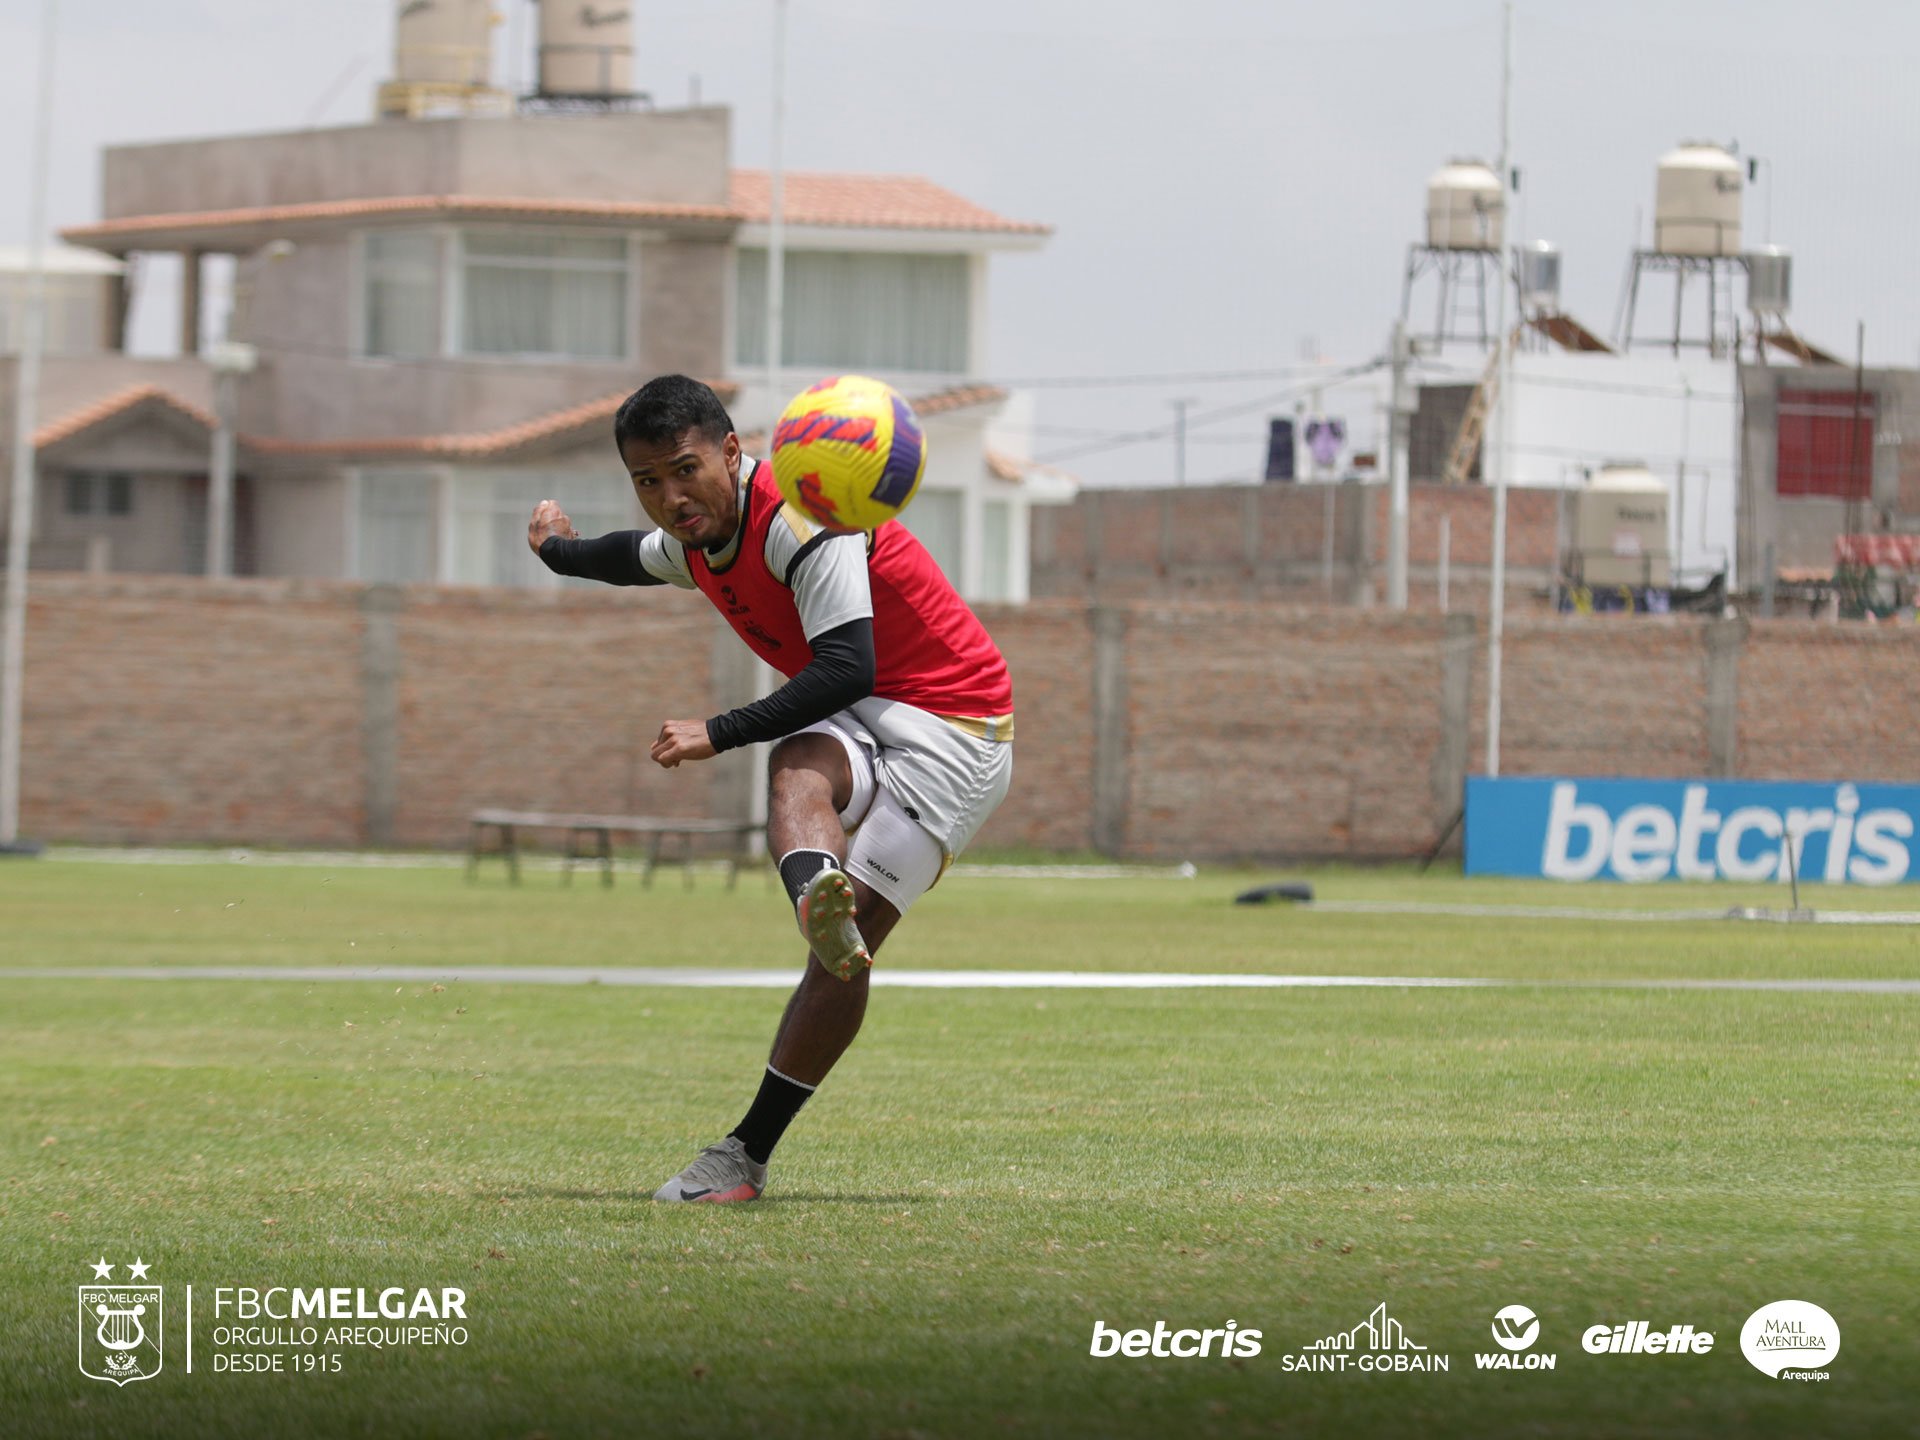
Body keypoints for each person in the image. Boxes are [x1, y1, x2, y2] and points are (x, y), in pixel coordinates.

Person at [527, 374, 1014, 1204]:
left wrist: (713, 730)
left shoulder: (802, 523)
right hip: (864, 712)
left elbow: (844, 667)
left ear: (730, 450)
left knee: (845, 952)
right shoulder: (696, 538)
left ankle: (744, 1155)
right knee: (797, 771)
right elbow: (625, 558)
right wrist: (557, 552)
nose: (671, 498)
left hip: (954, 730)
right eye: (648, 481)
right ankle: (818, 896)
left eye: (685, 470)